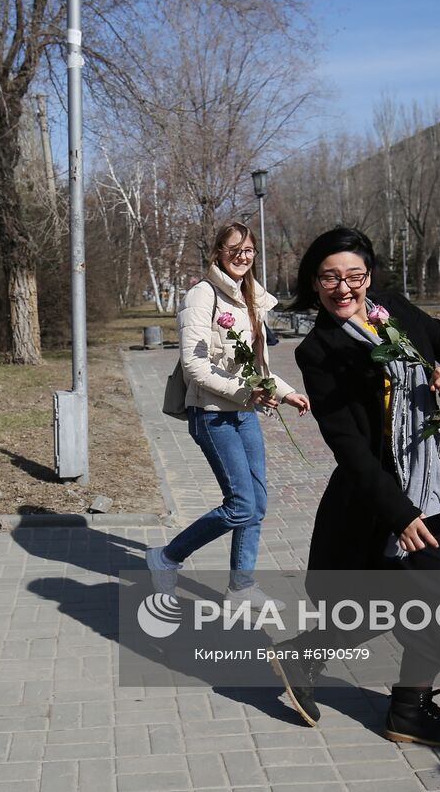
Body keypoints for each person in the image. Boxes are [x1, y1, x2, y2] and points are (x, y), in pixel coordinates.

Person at [268, 227, 440, 747]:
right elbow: (349, 446)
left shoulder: (395, 311)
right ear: (313, 283)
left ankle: (308, 659)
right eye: (330, 278)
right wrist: (399, 513)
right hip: (376, 500)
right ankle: (407, 711)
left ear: (369, 277)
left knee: (391, 602)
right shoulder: (318, 350)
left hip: (424, 485)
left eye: (354, 276)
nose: (344, 289)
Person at [146, 222, 310, 607]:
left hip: (245, 412)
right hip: (213, 413)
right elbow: (194, 366)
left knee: (258, 503)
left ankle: (241, 586)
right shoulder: (201, 296)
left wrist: (286, 393)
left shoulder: (250, 296)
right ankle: (166, 557)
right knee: (241, 504)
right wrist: (245, 392)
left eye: (249, 250)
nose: (242, 256)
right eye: (233, 248)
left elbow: (256, 365)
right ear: (218, 251)